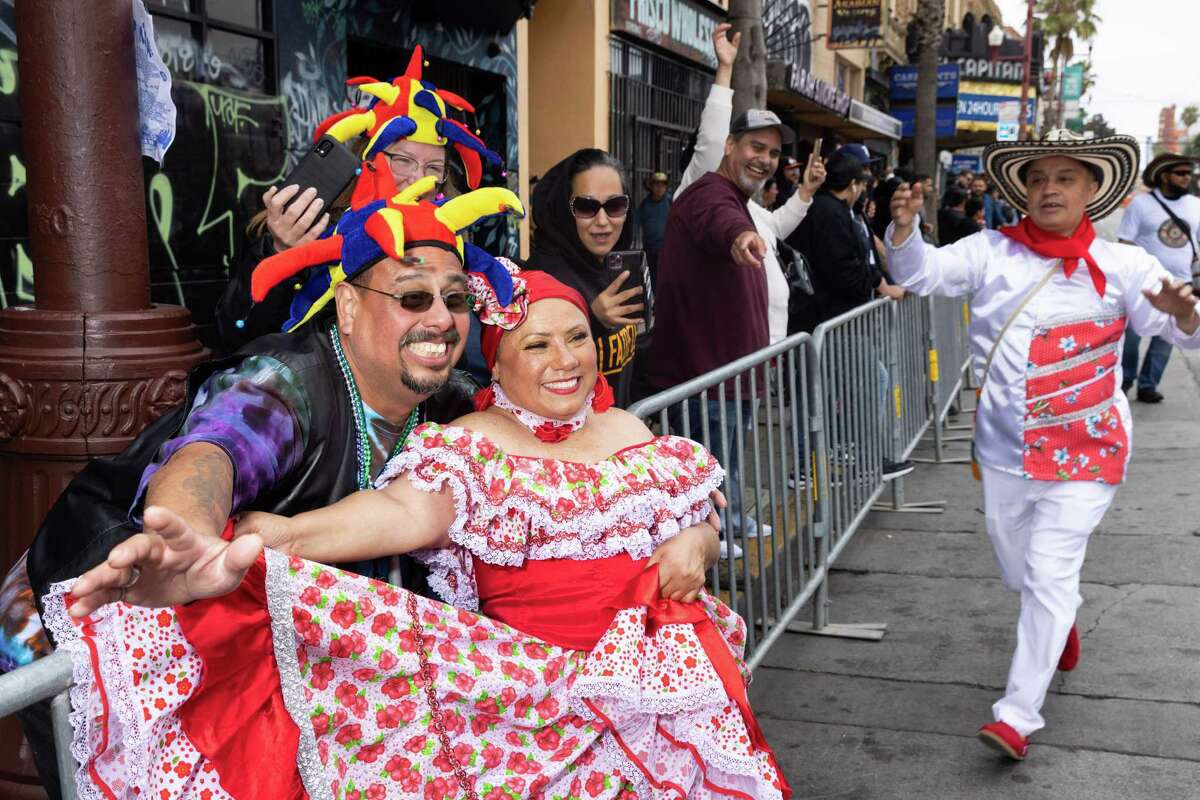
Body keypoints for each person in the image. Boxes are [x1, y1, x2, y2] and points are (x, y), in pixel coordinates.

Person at [47, 265, 791, 800]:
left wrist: (698, 542)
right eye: (537, 345)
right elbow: (394, 512)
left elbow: (693, 511)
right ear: (497, 361)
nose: (566, 360)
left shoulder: (627, 426)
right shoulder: (469, 443)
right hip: (547, 711)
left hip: (679, 694)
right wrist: (266, 539)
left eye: (578, 338)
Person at [886, 129, 1200, 760]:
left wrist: (1185, 313)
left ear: (1091, 190)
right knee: (1017, 567)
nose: (1049, 188)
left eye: (1064, 178)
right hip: (1003, 451)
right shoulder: (990, 251)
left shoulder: (1125, 264)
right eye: (1037, 179)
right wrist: (904, 231)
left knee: (1050, 569)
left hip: (1090, 450)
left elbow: (1179, 331)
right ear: (1024, 191)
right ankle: (1059, 626)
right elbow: (922, 273)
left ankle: (1017, 714)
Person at [217, 45, 502, 352]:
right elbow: (236, 333)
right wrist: (280, 252)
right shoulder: (306, 224)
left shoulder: (451, 238)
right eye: (403, 160)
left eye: (434, 167)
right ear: (367, 160)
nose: (420, 179)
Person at [648, 106, 787, 552]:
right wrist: (739, 237)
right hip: (704, 375)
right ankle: (703, 535)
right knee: (701, 461)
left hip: (734, 373)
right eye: (756, 147)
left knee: (726, 460)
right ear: (729, 146)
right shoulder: (709, 194)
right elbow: (720, 223)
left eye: (774, 153)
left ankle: (729, 517)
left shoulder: (738, 201)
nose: (764, 159)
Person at [786, 150, 912, 481]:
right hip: (831, 320)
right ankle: (861, 461)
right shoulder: (831, 213)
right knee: (868, 382)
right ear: (853, 184)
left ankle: (824, 462)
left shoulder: (837, 211)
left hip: (830, 320)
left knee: (824, 392)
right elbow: (843, 270)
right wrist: (873, 283)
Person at [530, 149, 644, 408]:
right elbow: (536, 364)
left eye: (615, 206)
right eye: (586, 207)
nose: (603, 221)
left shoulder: (617, 267)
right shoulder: (543, 278)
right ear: (564, 209)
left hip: (616, 434)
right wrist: (592, 320)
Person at [1117, 152, 1200, 403]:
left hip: (1181, 283)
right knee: (1131, 338)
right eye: (1181, 173)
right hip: (1144, 285)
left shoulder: (1196, 205)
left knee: (1165, 341)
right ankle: (1126, 379)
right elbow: (1125, 242)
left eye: (1189, 173)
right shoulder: (1141, 204)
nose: (1187, 177)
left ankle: (1148, 385)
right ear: (1164, 176)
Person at [636, 170, 672, 273]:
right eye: (657, 184)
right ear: (651, 186)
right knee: (651, 276)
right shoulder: (644, 205)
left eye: (663, 185)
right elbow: (636, 223)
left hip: (666, 249)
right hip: (649, 248)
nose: (660, 188)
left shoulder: (670, 203)